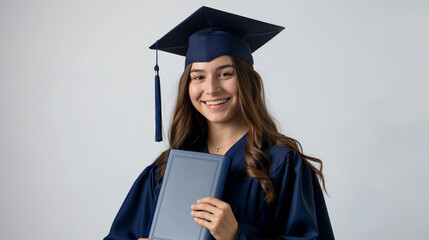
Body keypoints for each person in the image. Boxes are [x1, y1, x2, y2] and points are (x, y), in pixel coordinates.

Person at [104, 6, 334, 240]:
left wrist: (237, 235)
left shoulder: (282, 165)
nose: (211, 89)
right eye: (199, 77)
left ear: (247, 81)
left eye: (225, 74)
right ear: (188, 86)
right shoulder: (164, 171)